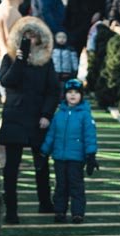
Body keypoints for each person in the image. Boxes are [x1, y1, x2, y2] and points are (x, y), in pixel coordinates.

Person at [0, 15, 59, 223]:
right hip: (14, 117)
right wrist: (20, 59)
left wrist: (46, 114)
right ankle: (11, 210)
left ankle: (45, 202)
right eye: (26, 36)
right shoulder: (10, 58)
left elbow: (53, 91)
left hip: (37, 119)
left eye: (33, 36)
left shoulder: (46, 62)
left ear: (40, 38)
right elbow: (7, 81)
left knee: (42, 165)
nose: (30, 39)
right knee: (11, 168)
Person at [41, 78, 98, 223]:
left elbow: (90, 136)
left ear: (81, 95)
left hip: (76, 158)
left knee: (76, 185)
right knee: (61, 186)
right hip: (59, 157)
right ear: (65, 95)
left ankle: (77, 213)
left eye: (76, 93)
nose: (73, 95)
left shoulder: (85, 115)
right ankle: (60, 211)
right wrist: (44, 151)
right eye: (69, 92)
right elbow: (52, 134)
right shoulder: (59, 114)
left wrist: (91, 155)